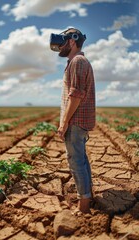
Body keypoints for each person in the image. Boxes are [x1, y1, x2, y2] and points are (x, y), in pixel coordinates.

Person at [50, 28, 96, 214]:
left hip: (75, 121)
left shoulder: (78, 61)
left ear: (72, 41)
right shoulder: (75, 62)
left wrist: (64, 123)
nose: (60, 45)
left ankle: (83, 205)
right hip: (78, 120)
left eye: (63, 40)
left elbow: (76, 95)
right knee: (81, 159)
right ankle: (88, 195)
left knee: (76, 161)